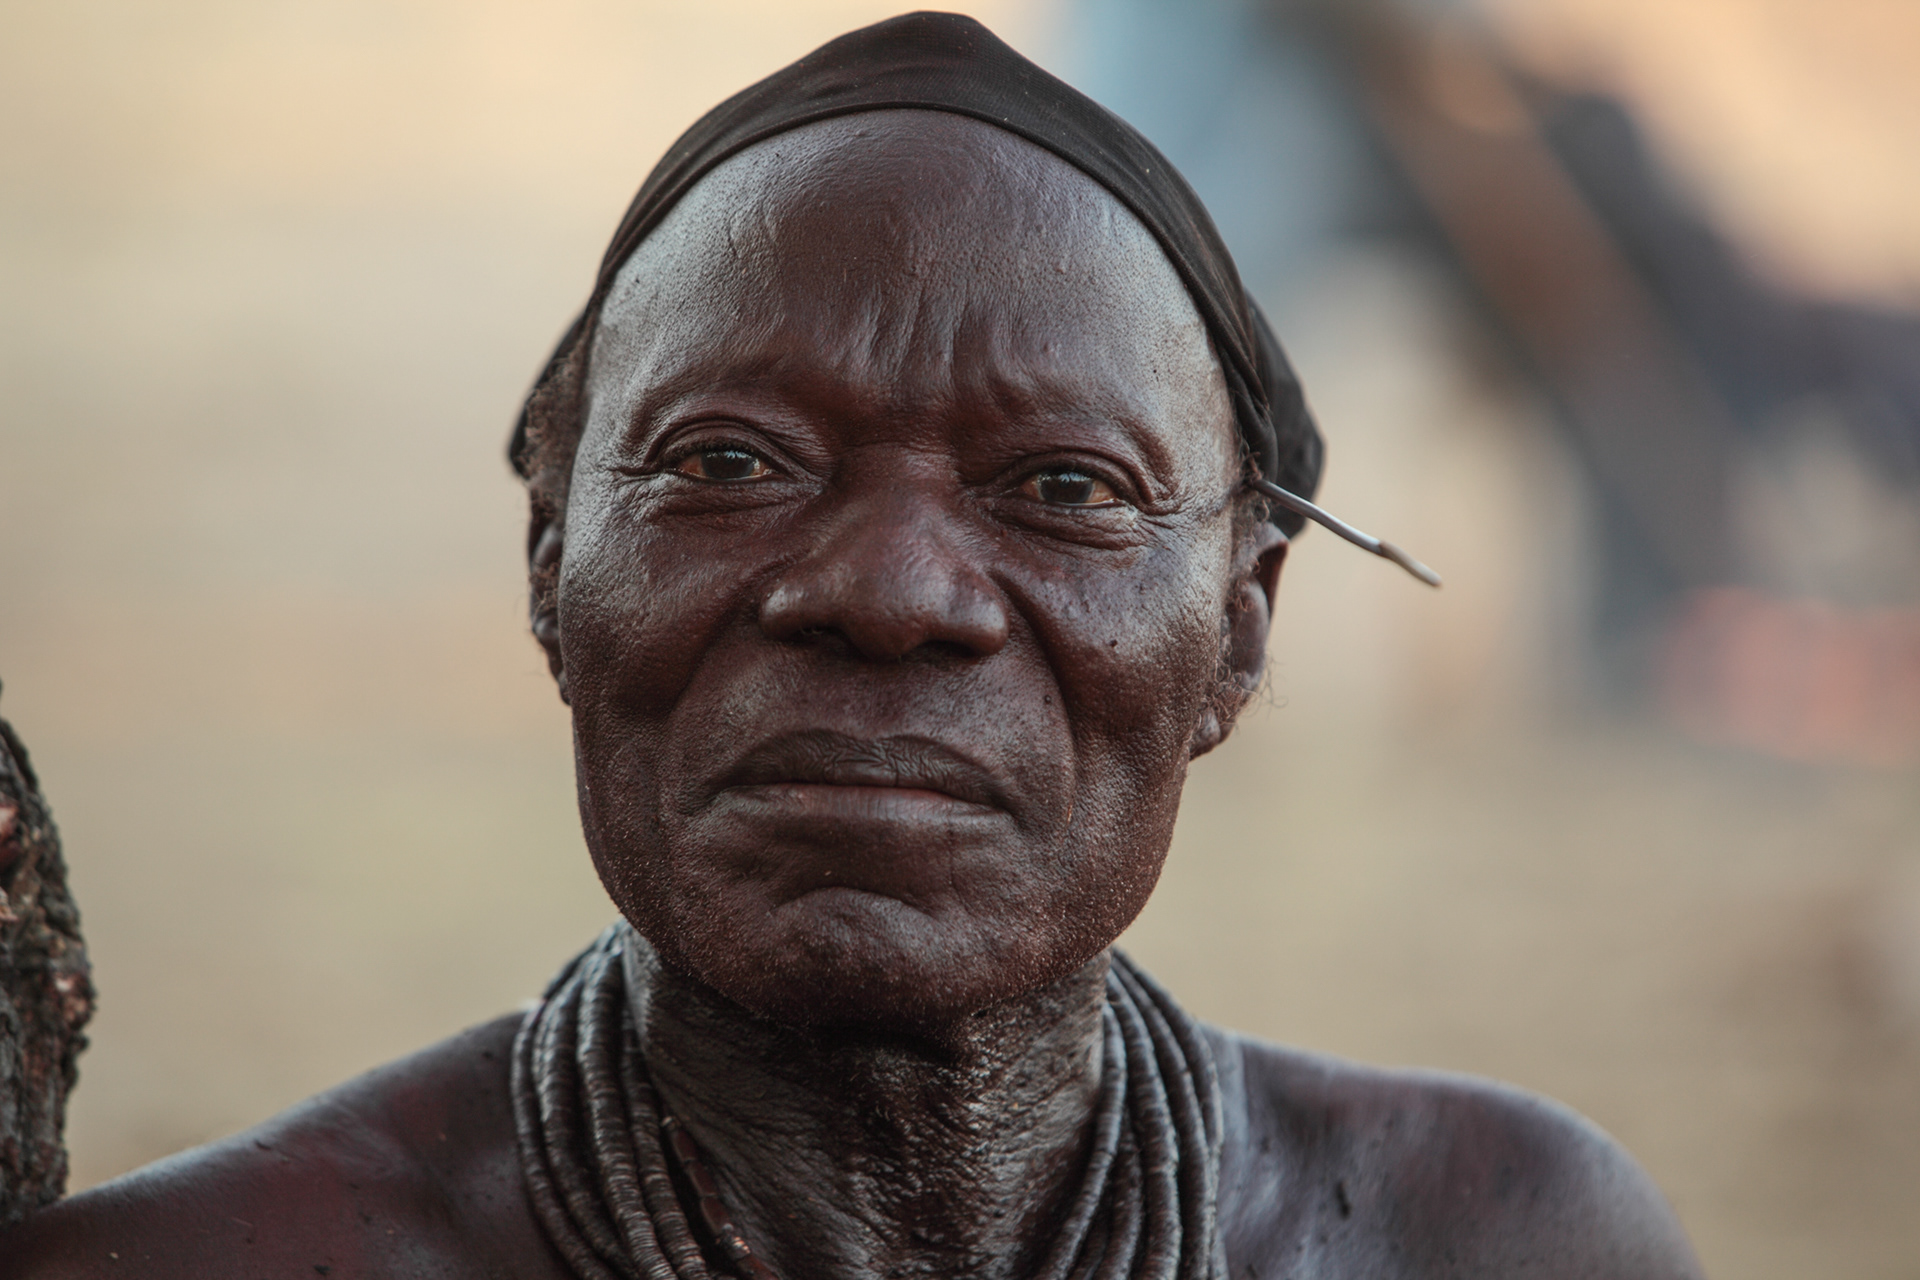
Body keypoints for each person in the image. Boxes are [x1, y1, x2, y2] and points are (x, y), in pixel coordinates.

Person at [0, 14, 1700, 1278]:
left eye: (1063, 488)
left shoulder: (1495, 1240)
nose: (893, 593)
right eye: (728, 463)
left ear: (1241, 632)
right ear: (550, 566)